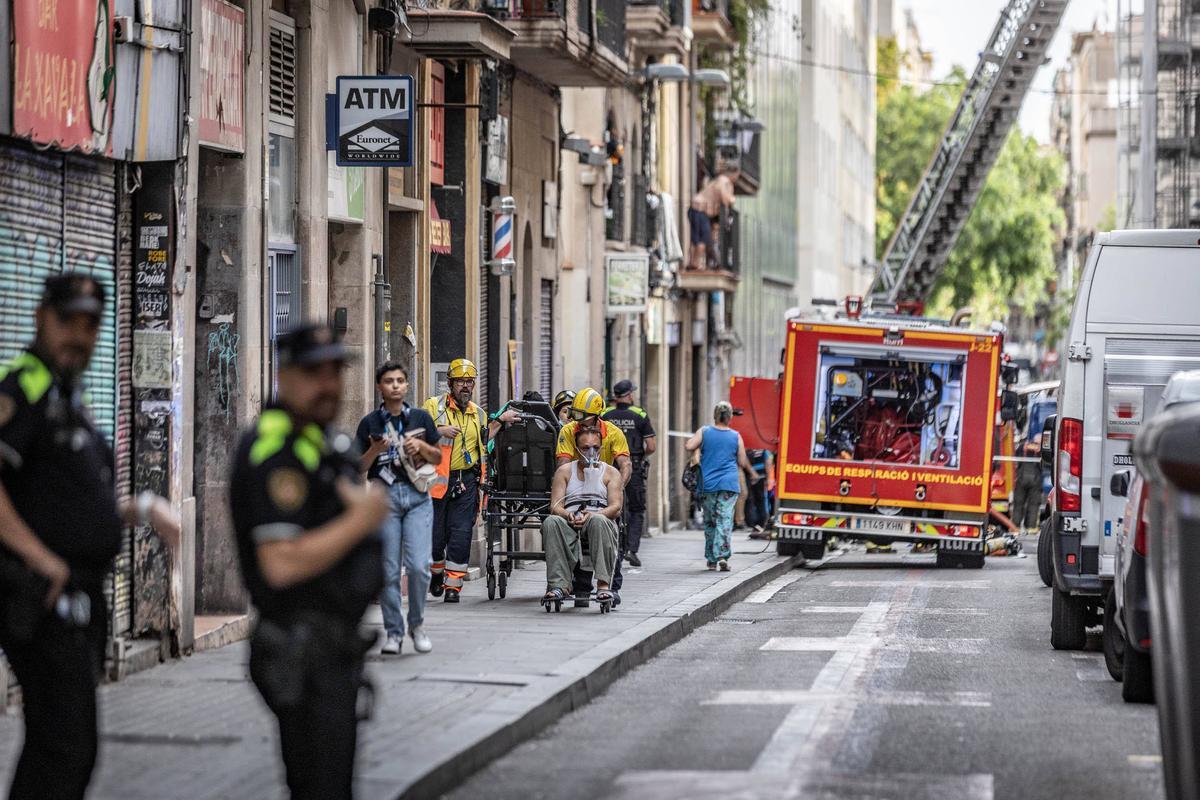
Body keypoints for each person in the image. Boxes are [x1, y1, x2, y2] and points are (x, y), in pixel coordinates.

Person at [0, 273, 179, 800]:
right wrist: (45, 562)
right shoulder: (24, 388)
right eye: (67, 321)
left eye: (90, 324)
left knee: (64, 747)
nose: (79, 335)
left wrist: (141, 509)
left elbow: (69, 502)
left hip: (75, 599)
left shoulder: (66, 395)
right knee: (65, 747)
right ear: (40, 319)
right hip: (41, 596)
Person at [231, 323, 389, 799]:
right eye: (314, 373)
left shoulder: (324, 441)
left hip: (334, 647)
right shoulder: (273, 448)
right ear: (284, 376)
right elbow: (280, 563)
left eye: (336, 372)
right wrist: (362, 521)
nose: (329, 385)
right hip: (300, 648)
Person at [356, 362, 440, 656]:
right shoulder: (370, 423)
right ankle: (394, 632)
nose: (395, 385)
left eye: (400, 381)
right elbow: (359, 467)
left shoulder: (421, 417)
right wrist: (374, 451)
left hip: (417, 497)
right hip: (384, 500)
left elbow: (438, 456)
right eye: (389, 381)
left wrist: (421, 448)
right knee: (389, 571)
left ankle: (417, 624)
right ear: (379, 386)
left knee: (419, 566)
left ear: (407, 386)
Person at [423, 358, 517, 602]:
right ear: (450, 383)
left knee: (461, 534)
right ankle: (436, 574)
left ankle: (453, 586)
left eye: (470, 382)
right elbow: (417, 434)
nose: (466, 386)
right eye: (461, 382)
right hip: (436, 480)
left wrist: (501, 420)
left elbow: (485, 438)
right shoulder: (433, 407)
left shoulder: (479, 413)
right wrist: (438, 431)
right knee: (435, 537)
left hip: (466, 482)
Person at [557, 388, 632, 604]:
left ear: (597, 415)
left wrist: (617, 487)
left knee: (611, 532)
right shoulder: (568, 432)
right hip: (576, 493)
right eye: (576, 416)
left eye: (584, 417)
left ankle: (611, 585)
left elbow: (625, 464)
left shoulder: (614, 433)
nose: (579, 422)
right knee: (575, 529)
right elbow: (562, 463)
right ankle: (580, 585)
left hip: (605, 492)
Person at [541, 428, 622, 608]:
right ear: (576, 449)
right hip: (570, 519)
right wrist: (567, 515)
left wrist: (595, 514)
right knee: (551, 521)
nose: (591, 453)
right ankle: (559, 585)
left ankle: (603, 585)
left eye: (596, 447)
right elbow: (555, 505)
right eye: (585, 448)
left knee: (598, 521)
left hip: (598, 518)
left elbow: (616, 507)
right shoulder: (564, 471)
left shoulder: (611, 473)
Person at [684, 401, 757, 571]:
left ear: (715, 415)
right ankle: (723, 555)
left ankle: (711, 560)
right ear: (730, 417)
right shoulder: (736, 436)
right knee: (724, 519)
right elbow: (741, 460)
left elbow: (689, 445)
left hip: (708, 485)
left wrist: (699, 449)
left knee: (710, 521)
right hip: (729, 484)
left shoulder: (705, 431)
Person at [602, 380, 656, 567]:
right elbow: (651, 446)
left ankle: (615, 548)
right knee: (636, 508)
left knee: (611, 506)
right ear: (629, 395)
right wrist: (640, 455)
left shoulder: (605, 414)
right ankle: (632, 550)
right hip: (632, 465)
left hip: (608, 466)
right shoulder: (639, 414)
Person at [1012, 434, 1044, 533]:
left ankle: (1015, 526)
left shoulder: (1023, 447)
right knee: (1033, 504)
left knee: (1018, 503)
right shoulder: (1041, 450)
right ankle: (1031, 527)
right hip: (1035, 480)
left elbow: (1016, 458)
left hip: (1021, 479)